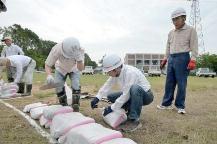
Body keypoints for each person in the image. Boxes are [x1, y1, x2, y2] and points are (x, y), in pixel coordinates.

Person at [90, 54, 154, 132]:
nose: (108, 74)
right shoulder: (117, 72)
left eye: (108, 72)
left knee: (135, 88)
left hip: (146, 96)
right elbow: (107, 85)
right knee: (111, 96)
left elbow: (126, 95)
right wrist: (97, 98)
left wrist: (111, 108)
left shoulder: (130, 73)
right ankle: (126, 111)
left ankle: (134, 120)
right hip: (132, 94)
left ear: (115, 69)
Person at [157, 8, 198, 114]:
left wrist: (193, 59)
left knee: (181, 83)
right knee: (169, 82)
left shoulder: (191, 30)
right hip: (171, 58)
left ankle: (180, 106)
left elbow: (194, 46)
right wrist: (165, 58)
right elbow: (168, 46)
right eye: (173, 19)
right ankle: (166, 104)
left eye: (177, 19)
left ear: (184, 18)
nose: (175, 21)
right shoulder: (171, 33)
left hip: (183, 58)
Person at [45, 37, 84, 110]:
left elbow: (81, 68)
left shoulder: (80, 50)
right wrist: (49, 75)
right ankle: (64, 105)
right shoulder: (56, 49)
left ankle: (76, 106)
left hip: (74, 69)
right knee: (58, 86)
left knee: (76, 85)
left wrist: (79, 59)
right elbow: (48, 64)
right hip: (61, 68)